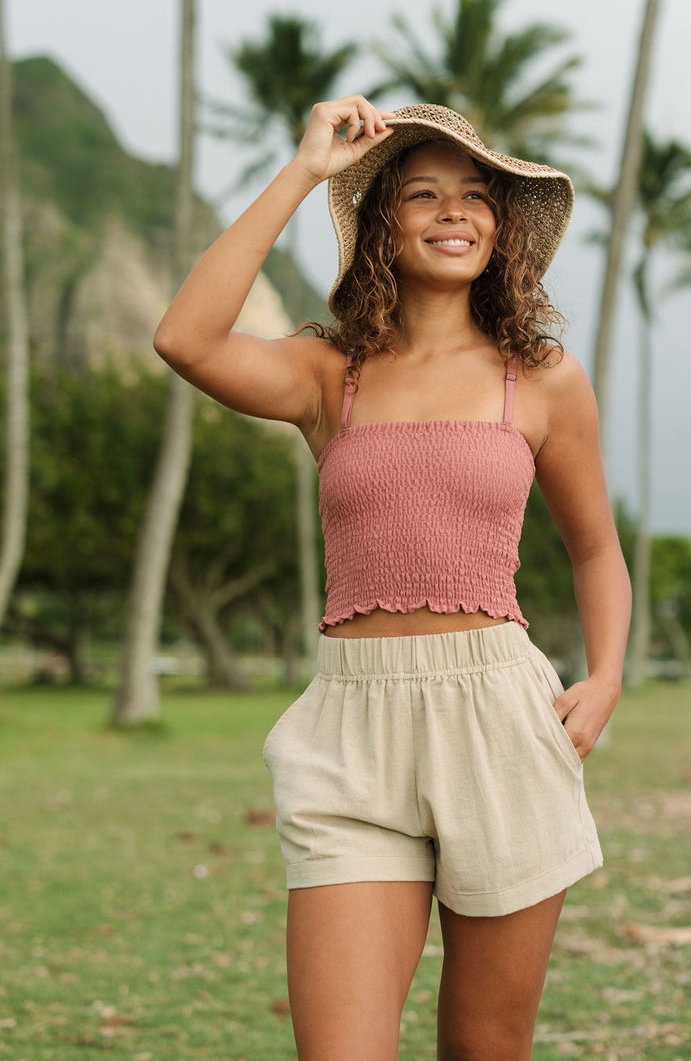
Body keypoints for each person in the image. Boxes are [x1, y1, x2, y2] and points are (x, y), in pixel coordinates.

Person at [154, 95, 631, 1061]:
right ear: (383, 223)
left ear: (501, 230)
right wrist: (304, 171)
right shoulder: (331, 374)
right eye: (423, 194)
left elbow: (595, 548)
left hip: (501, 718)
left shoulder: (539, 376)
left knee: (483, 1050)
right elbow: (187, 340)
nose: (455, 212)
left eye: (477, 197)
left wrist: (609, 675)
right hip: (350, 729)